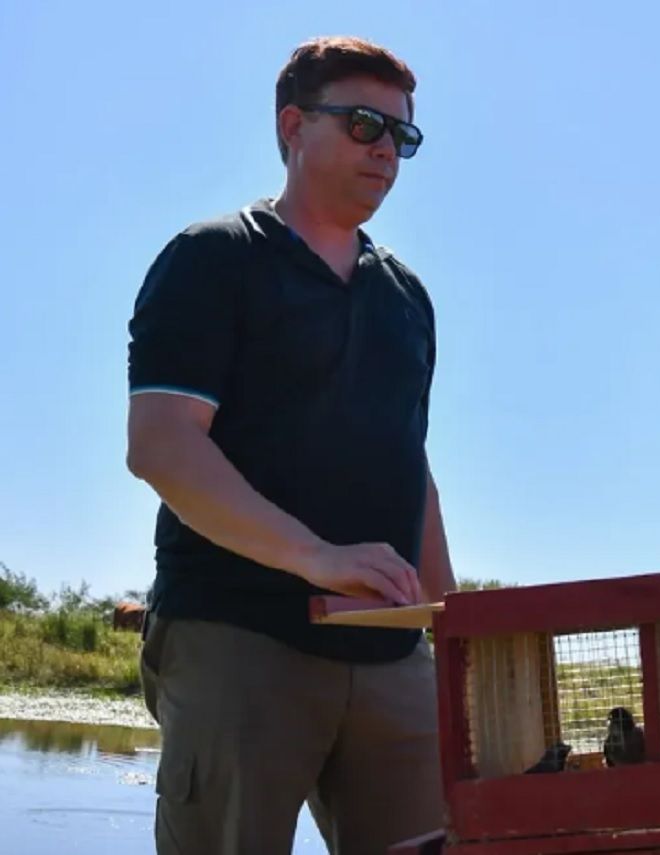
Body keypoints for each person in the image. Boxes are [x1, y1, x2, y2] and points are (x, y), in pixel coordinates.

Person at [125, 35, 455, 855]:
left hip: (393, 654)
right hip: (236, 637)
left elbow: (411, 467)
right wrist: (317, 557)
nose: (386, 149)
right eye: (364, 124)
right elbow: (162, 445)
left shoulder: (407, 298)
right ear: (293, 126)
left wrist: (459, 632)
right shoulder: (214, 257)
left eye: (403, 135)